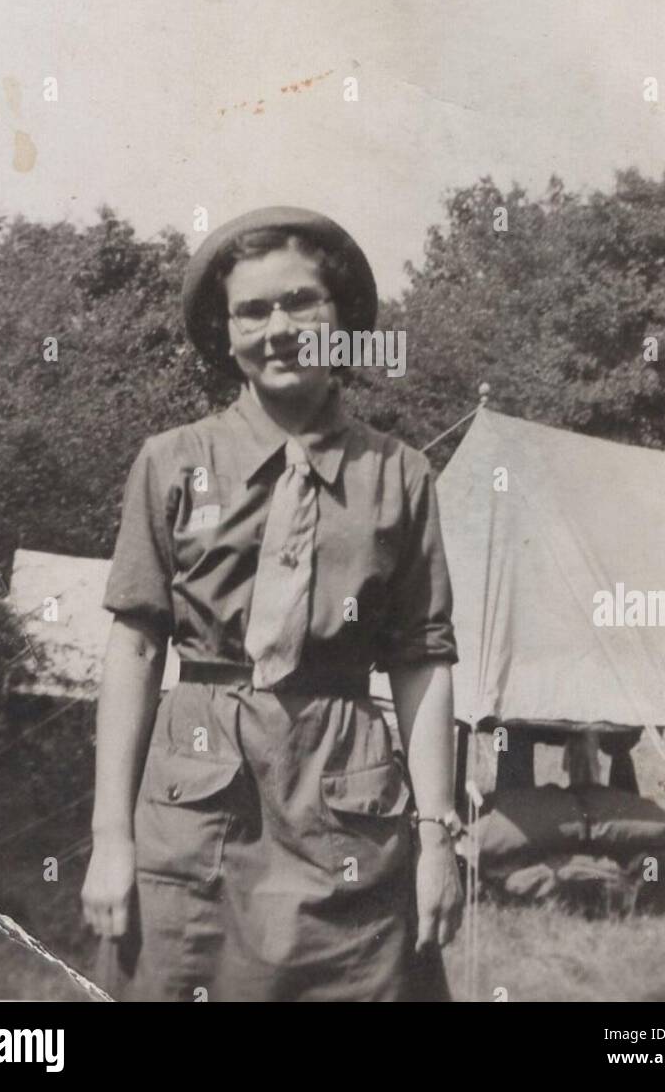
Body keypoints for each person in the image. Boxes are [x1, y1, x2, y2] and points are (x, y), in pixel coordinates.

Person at [81, 206, 463, 1001]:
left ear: (343, 324)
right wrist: (109, 839)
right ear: (226, 336)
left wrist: (436, 843)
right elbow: (136, 650)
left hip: (346, 809)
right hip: (196, 811)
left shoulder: (397, 476)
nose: (279, 328)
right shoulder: (171, 463)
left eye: (301, 303)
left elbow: (421, 660)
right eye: (252, 311)